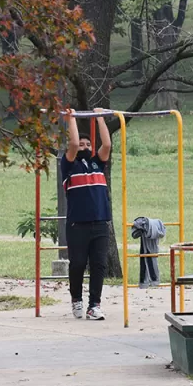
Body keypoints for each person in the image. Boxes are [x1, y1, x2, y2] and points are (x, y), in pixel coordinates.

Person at [60, 108, 113, 320]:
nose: (84, 147)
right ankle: (77, 300)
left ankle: (94, 305)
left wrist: (99, 118)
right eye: (81, 145)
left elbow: (107, 144)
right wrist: (70, 119)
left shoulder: (97, 163)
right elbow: (72, 144)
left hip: (100, 222)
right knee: (78, 264)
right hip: (78, 225)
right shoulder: (69, 166)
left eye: (87, 144)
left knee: (99, 264)